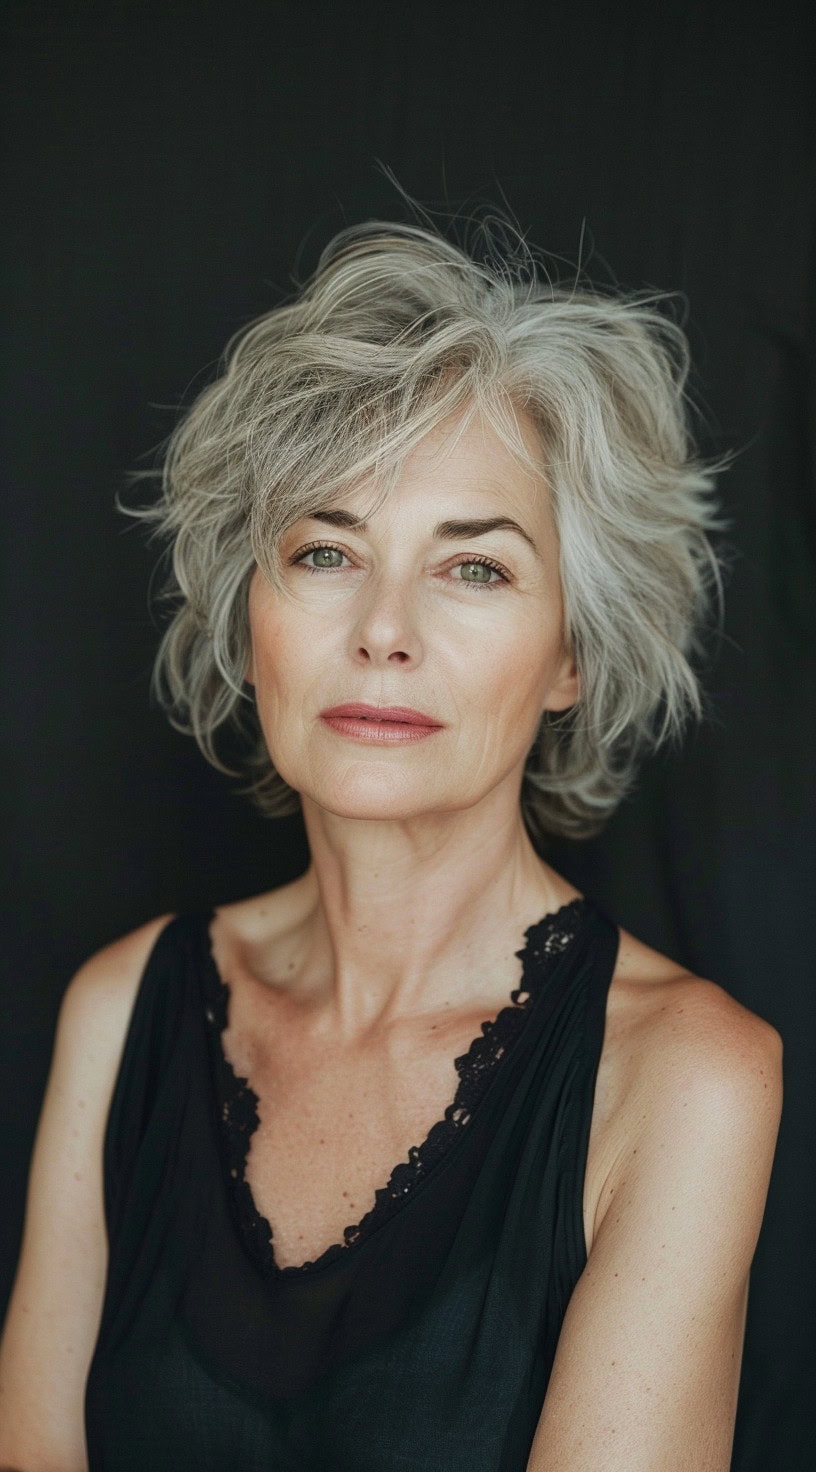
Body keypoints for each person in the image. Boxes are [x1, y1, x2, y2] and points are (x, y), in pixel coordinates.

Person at [0, 217, 783, 1472]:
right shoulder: (121, 1007)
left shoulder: (689, 1072)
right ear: (244, 611)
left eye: (473, 569)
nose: (383, 629)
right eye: (325, 551)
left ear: (575, 651)